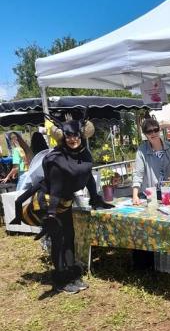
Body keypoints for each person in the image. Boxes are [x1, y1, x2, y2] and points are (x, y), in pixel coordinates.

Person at [11, 115, 113, 294]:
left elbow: (87, 174)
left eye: (75, 136)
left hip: (65, 203)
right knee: (58, 240)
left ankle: (72, 275)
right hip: (49, 204)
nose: (72, 139)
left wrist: (95, 198)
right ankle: (60, 279)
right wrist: (51, 215)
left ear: (80, 136)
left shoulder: (83, 154)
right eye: (68, 136)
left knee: (69, 237)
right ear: (63, 138)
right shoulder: (57, 159)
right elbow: (56, 189)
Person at [132, 115, 170, 205]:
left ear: (159, 130)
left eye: (155, 130)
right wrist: (135, 195)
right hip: (152, 192)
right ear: (145, 134)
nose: (153, 133)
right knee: (153, 216)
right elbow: (138, 174)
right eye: (149, 131)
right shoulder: (141, 151)